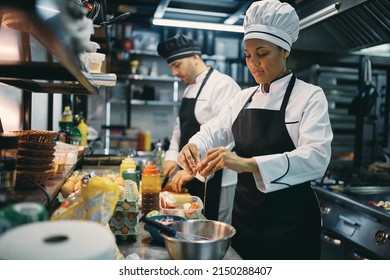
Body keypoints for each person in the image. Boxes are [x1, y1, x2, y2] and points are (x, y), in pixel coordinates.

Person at [177, 0, 333, 260]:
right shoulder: (244, 97)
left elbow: (316, 158)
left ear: (284, 51)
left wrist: (248, 164)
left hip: (290, 222)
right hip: (246, 217)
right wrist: (194, 146)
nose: (253, 63)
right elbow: (214, 129)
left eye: (262, 54)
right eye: (248, 55)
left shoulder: (309, 96)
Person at [157, 33, 241, 224]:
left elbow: (229, 139)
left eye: (177, 65)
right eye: (171, 67)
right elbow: (180, 130)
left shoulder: (223, 85)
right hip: (190, 175)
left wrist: (194, 171)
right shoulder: (188, 89)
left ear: (195, 57)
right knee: (191, 224)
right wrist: (171, 158)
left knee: (211, 226)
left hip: (217, 179)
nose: (174, 73)